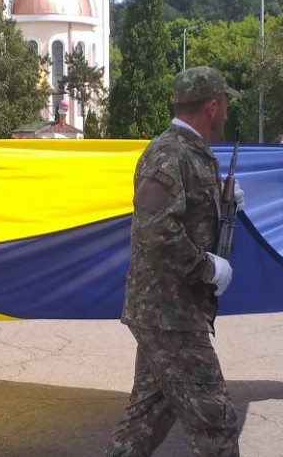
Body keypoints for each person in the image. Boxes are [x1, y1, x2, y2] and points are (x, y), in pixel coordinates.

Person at [105, 66, 243, 457]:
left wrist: (222, 202)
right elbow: (156, 230)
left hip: (172, 311)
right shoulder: (170, 153)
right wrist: (207, 268)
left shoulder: (190, 153)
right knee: (217, 425)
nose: (228, 113)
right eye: (227, 104)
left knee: (145, 422)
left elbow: (182, 212)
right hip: (170, 313)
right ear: (213, 106)